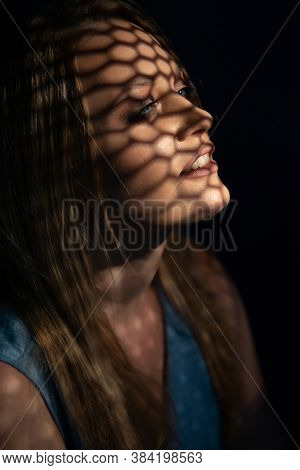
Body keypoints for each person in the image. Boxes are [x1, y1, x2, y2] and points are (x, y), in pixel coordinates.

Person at [0, 0, 291, 450]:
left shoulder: (204, 287)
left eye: (182, 90)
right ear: (63, 172)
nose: (200, 117)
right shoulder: (14, 389)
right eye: (145, 110)